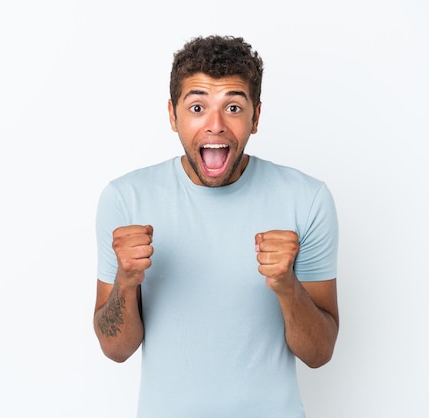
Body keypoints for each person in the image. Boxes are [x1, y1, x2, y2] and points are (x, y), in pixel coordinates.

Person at [93, 34, 339, 417]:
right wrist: (125, 281)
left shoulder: (307, 198)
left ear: (256, 117)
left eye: (234, 108)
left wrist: (287, 287)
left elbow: (320, 353)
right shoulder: (126, 199)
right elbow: (115, 349)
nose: (216, 125)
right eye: (197, 106)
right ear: (173, 115)